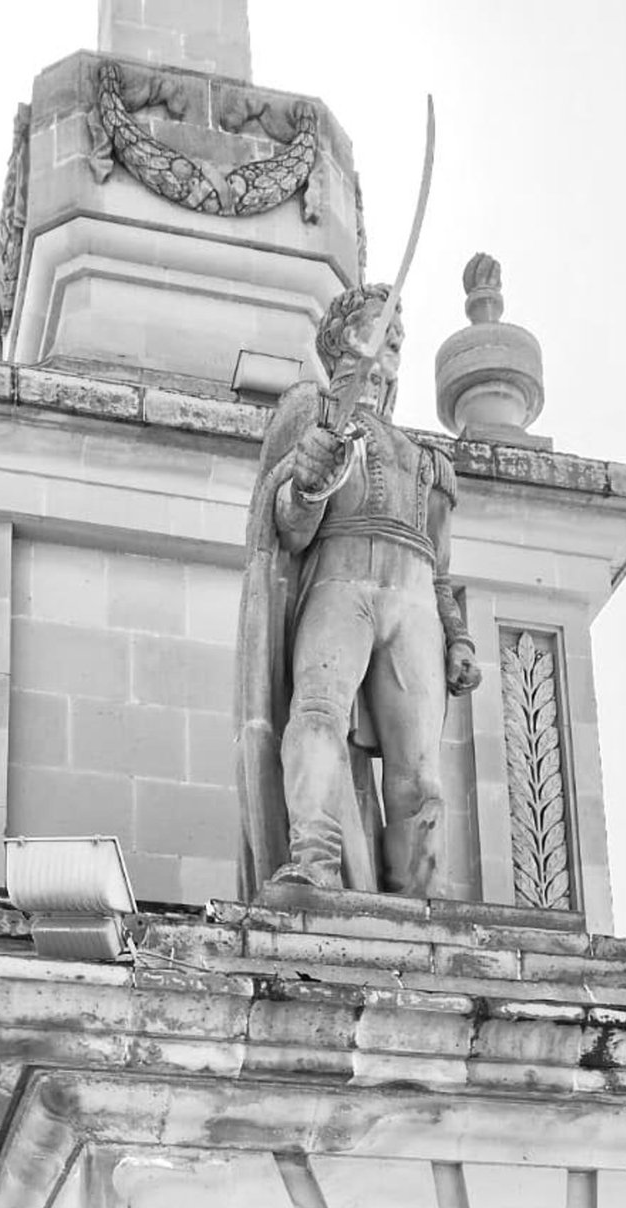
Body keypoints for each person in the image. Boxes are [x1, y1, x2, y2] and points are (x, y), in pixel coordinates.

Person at [235, 282, 480, 900]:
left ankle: (420, 897)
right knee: (315, 711)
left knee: (419, 769)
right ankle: (313, 859)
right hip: (339, 581)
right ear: (346, 337)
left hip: (415, 600)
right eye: (382, 328)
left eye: (400, 335)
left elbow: (441, 570)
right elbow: (288, 527)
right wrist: (309, 479)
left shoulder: (427, 459)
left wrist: (458, 637)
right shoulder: (311, 413)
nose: (393, 340)